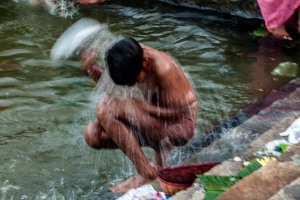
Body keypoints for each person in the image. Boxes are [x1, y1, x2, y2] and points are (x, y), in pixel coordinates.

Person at [83, 37, 198, 193]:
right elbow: (113, 91)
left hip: (179, 126)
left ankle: (146, 173)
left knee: (105, 107)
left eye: (134, 80)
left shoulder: (164, 68)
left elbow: (179, 111)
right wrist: (93, 70)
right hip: (154, 124)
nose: (131, 85)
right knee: (93, 134)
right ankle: (156, 159)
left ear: (145, 62)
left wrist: (140, 106)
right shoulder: (129, 58)